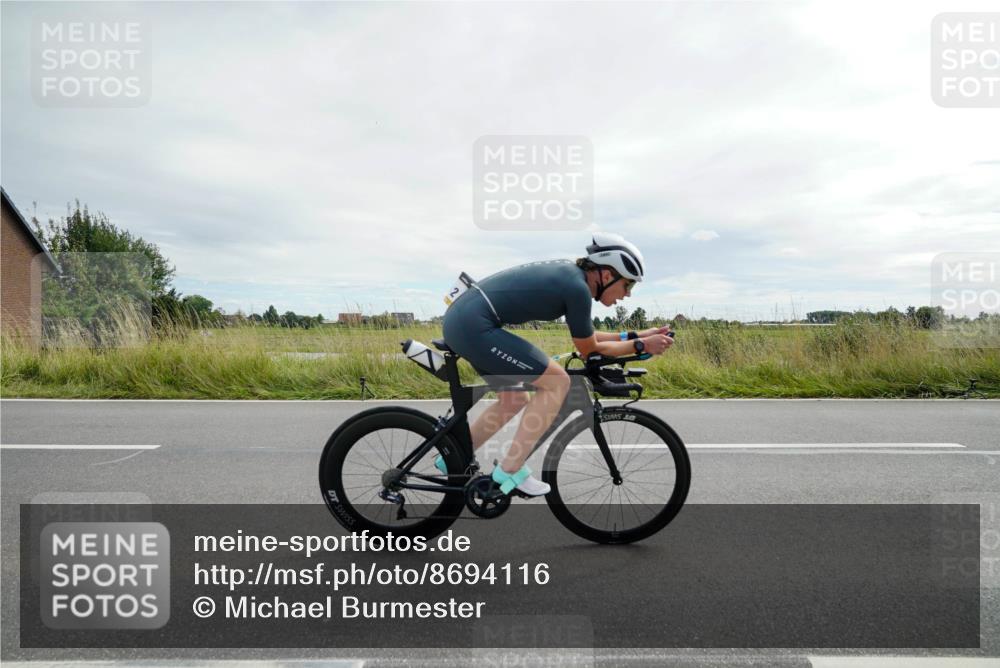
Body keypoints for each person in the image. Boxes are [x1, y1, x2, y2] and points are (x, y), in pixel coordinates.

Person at [441, 233, 674, 496]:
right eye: (628, 285)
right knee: (557, 382)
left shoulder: (572, 279)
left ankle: (453, 456)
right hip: (473, 326)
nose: (628, 295)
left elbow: (589, 338)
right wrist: (641, 347)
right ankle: (510, 470)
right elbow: (588, 350)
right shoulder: (577, 288)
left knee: (514, 399)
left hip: (466, 321)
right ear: (607, 275)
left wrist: (638, 335)